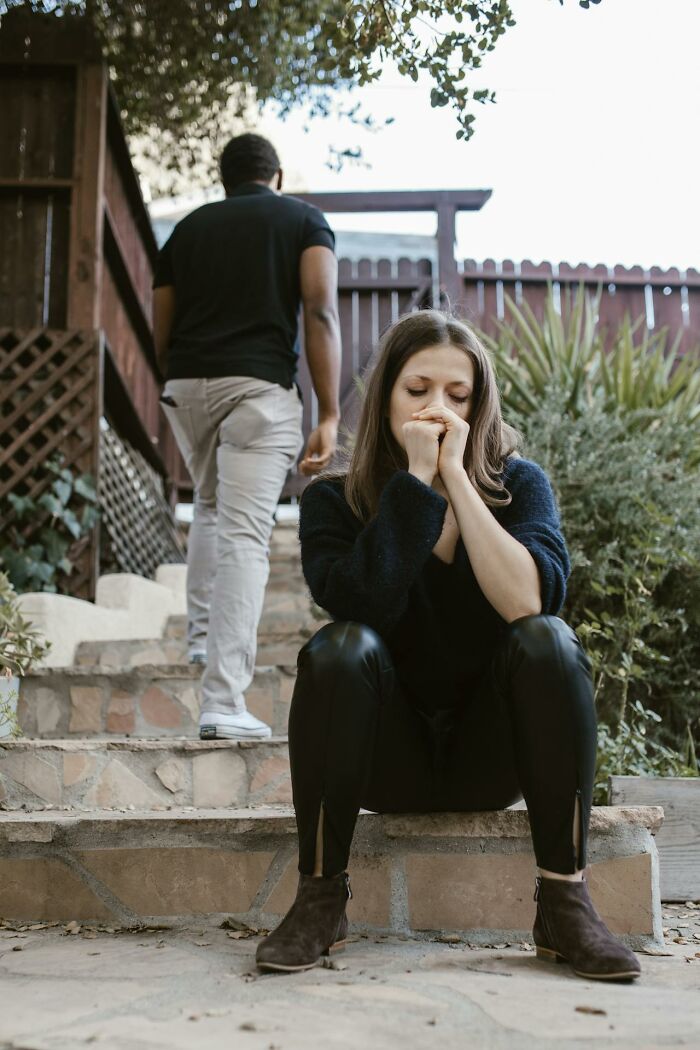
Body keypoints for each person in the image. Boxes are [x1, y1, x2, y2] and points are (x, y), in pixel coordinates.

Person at [255, 309, 641, 982]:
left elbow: (528, 601)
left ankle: (563, 902)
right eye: (418, 389)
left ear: (479, 404)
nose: (437, 408)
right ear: (385, 399)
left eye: (457, 395)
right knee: (338, 648)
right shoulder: (333, 501)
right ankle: (320, 898)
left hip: (488, 759)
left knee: (548, 640)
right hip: (385, 757)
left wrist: (458, 480)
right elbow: (364, 605)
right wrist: (414, 484)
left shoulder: (521, 486)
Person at [152, 132, 341, 741]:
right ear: (276, 176)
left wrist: (177, 377)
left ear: (225, 178)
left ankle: (201, 641)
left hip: (187, 387)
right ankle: (224, 700)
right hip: (258, 390)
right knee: (244, 534)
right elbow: (320, 310)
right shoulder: (303, 220)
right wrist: (330, 411)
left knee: (208, 505)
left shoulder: (187, 230)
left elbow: (164, 322)